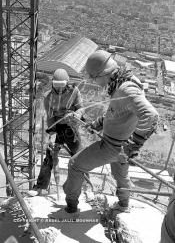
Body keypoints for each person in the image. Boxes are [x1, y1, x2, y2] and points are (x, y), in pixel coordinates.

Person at [63, 49, 159, 213]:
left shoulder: (125, 89)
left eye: (94, 78)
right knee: (121, 176)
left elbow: (151, 116)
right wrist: (97, 124)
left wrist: (133, 145)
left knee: (75, 165)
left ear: (104, 73)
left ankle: (71, 206)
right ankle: (123, 204)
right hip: (121, 148)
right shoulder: (124, 82)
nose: (95, 82)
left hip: (113, 147)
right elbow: (117, 112)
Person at [29, 68, 84, 196]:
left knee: (80, 158)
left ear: (67, 83)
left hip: (71, 127)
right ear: (53, 83)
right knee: (49, 157)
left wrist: (77, 114)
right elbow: (50, 117)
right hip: (57, 127)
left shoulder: (74, 91)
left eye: (62, 86)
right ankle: (40, 186)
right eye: (56, 86)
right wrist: (52, 134)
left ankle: (85, 188)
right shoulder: (48, 97)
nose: (59, 89)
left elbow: (81, 107)